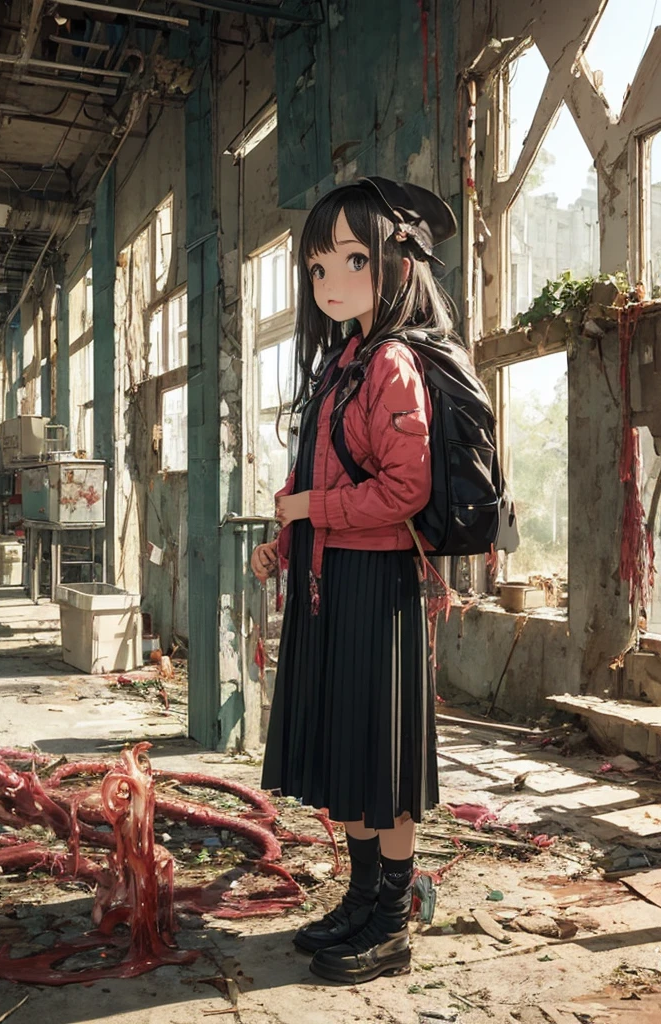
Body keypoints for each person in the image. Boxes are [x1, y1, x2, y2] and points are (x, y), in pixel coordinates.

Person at [250, 176, 458, 984]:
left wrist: (311, 508)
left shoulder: (394, 365)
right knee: (351, 758)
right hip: (334, 582)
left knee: (384, 766)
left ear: (396, 265)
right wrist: (288, 533)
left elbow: (407, 492)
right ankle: (364, 897)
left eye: (352, 259)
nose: (329, 281)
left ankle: (392, 923)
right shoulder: (346, 360)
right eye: (316, 266)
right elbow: (328, 479)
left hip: (381, 592)